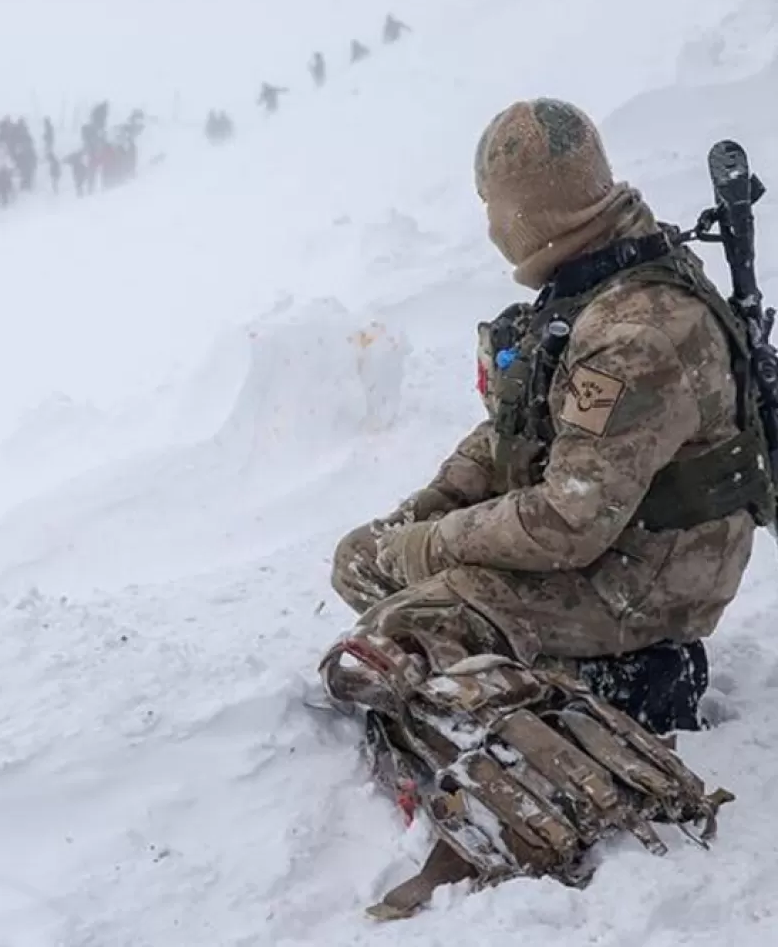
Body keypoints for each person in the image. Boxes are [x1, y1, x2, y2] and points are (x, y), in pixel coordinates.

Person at [322, 98, 758, 916]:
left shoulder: (634, 332)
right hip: (612, 539)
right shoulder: (590, 281)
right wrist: (426, 511)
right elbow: (516, 429)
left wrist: (432, 546)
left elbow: (569, 520)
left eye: (493, 208)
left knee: (404, 629)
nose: (491, 226)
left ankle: (609, 713)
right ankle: (565, 674)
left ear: (526, 212)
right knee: (362, 562)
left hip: (654, 577)